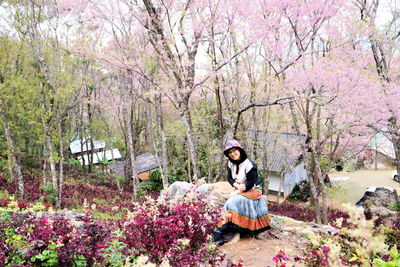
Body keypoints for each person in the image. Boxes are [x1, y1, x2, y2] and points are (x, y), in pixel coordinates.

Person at [213, 139, 271, 246]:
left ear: (240, 150)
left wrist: (237, 192)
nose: (232, 154)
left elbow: (250, 183)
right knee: (231, 200)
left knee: (232, 202)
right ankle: (226, 228)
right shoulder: (231, 163)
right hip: (239, 187)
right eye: (230, 152)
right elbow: (230, 178)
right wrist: (236, 186)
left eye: (235, 151)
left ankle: (224, 229)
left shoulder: (249, 164)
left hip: (253, 190)